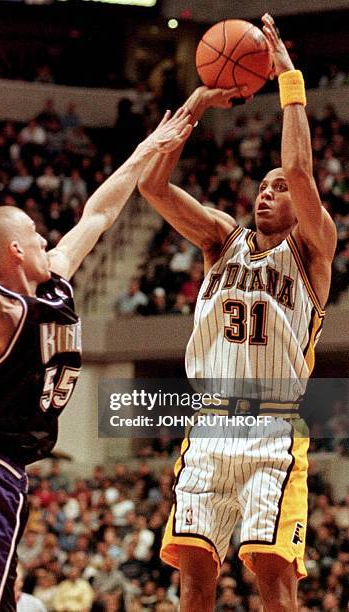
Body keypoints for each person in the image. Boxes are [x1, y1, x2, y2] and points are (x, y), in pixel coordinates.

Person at [0, 107, 192, 612]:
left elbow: (99, 213)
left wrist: (147, 148)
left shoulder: (55, 284)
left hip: (5, 474)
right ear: (16, 250)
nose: (48, 238)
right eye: (35, 234)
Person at [138, 14, 337, 612]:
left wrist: (289, 81)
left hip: (272, 430)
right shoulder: (221, 238)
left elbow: (299, 171)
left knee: (274, 583)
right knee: (195, 581)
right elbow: (152, 184)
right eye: (263, 185)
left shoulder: (313, 249)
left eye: (278, 188)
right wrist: (197, 102)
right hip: (207, 426)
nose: (268, 190)